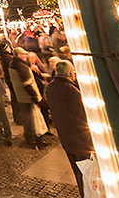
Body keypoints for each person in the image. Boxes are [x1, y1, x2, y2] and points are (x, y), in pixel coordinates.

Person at [45, 60, 94, 196]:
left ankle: (84, 192)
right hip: (80, 140)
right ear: (71, 73)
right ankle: (88, 193)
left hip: (65, 137)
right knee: (87, 171)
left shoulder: (50, 87)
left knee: (77, 170)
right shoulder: (71, 90)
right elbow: (81, 117)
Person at [9, 47, 46, 148]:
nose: (25, 56)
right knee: (31, 119)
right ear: (17, 55)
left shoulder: (13, 64)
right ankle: (33, 139)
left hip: (21, 96)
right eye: (22, 55)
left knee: (27, 119)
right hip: (27, 97)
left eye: (25, 54)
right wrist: (35, 97)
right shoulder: (21, 66)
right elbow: (27, 83)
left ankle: (29, 137)